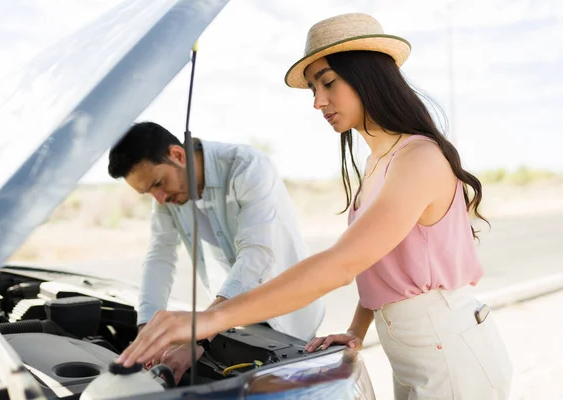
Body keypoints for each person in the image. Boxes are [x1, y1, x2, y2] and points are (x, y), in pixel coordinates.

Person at [116, 13, 513, 399]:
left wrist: (209, 320)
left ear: (368, 76)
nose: (318, 102)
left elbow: (342, 264)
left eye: (327, 83)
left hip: (453, 354)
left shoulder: (418, 158)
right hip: (415, 356)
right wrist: (357, 330)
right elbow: (382, 264)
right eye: (312, 90)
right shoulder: (378, 163)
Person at [107, 121, 325, 383]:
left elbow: (256, 254)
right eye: (149, 192)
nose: (160, 198)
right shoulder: (170, 193)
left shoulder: (247, 166)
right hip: (230, 319)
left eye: (158, 183)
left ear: (177, 155)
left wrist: (199, 334)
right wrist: (147, 336)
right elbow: (159, 258)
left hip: (291, 321)